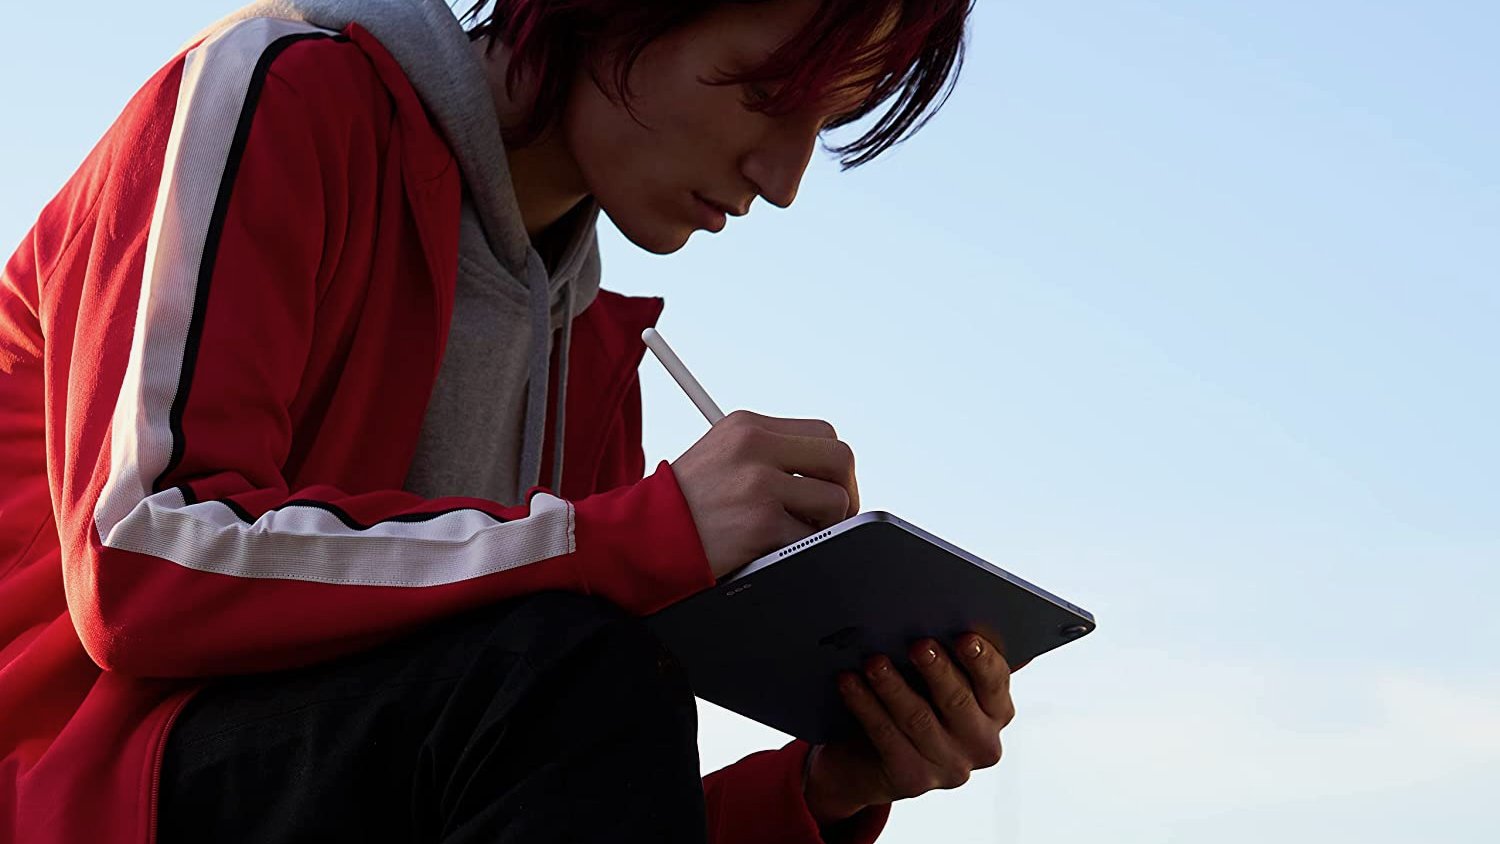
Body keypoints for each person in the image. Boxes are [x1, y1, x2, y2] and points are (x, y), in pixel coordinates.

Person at [0, 0, 1018, 842]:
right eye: (764, 93)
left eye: (827, 120)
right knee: (576, 664)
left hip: (282, 791)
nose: (784, 178)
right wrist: (637, 537)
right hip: (72, 790)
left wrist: (818, 788)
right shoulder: (278, 86)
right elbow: (137, 559)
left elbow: (548, 794)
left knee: (597, 677)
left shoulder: (594, 351)